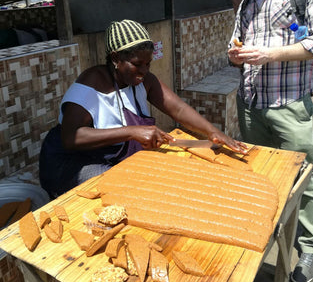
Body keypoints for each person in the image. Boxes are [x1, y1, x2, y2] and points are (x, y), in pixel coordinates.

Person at [227, 0, 313, 282]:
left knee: (302, 178)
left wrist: (270, 54)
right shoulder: (247, 1)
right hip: (251, 105)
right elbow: (237, 46)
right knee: (262, 177)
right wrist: (236, 55)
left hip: (289, 105)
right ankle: (269, 234)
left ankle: (310, 246)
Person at [39, 19, 248, 198]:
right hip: (71, 163)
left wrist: (213, 132)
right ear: (115, 58)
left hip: (105, 157)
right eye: (137, 64)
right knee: (131, 188)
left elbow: (179, 110)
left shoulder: (144, 80)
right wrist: (132, 131)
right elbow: (71, 137)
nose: (144, 71)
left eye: (148, 64)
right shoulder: (91, 84)